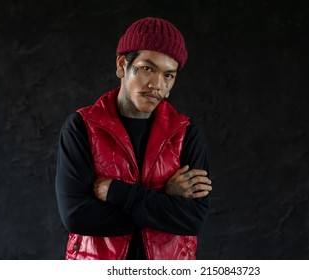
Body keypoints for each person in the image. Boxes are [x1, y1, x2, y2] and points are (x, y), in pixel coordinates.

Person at [55, 17, 212, 260]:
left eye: (168, 75)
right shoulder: (81, 127)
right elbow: (76, 216)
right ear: (121, 65)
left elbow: (193, 219)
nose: (157, 85)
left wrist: (118, 193)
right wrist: (164, 201)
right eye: (148, 68)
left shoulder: (187, 133)